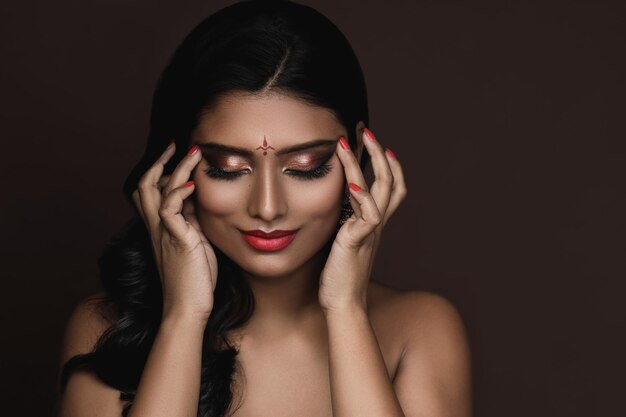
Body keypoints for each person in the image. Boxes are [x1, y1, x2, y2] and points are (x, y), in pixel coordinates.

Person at [56, 1, 472, 416]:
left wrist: (347, 310)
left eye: (307, 168)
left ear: (359, 153)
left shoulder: (419, 329)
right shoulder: (108, 331)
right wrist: (182, 318)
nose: (268, 207)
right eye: (227, 168)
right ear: (173, 167)